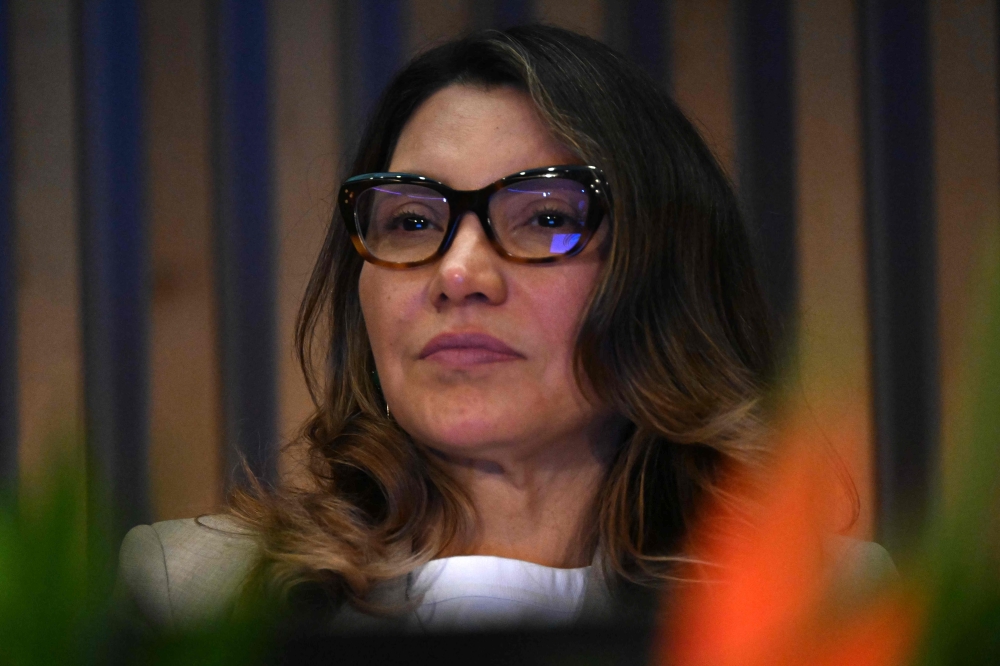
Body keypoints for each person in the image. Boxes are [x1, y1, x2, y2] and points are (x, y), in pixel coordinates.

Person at [117, 24, 894, 633]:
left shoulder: (826, 605)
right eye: (413, 221)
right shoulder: (195, 593)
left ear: (665, 278)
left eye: (548, 218)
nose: (459, 274)